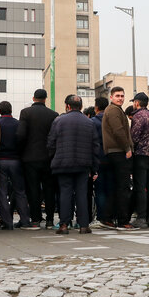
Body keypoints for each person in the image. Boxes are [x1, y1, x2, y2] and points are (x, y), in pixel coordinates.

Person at [47, 95, 99, 234]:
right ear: (81, 107)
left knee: (65, 193)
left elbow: (51, 143)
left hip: (62, 163)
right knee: (81, 193)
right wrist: (94, 168)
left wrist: (53, 158)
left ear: (67, 106)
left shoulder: (58, 121)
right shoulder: (89, 123)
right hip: (83, 164)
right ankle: (83, 225)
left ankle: (64, 225)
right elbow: (95, 146)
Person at [17, 89, 58, 229]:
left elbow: (21, 135)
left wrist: (22, 152)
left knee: (33, 189)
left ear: (33, 98)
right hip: (48, 158)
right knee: (49, 189)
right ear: (45, 99)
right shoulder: (53, 115)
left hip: (30, 158)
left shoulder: (25, 113)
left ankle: (35, 219)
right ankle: (50, 220)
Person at [100, 86, 134, 230]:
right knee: (123, 188)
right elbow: (118, 131)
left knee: (116, 187)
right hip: (118, 152)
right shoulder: (113, 110)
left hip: (114, 152)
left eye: (122, 96)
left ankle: (107, 218)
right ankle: (122, 221)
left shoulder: (114, 110)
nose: (120, 98)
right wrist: (127, 148)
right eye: (117, 96)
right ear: (111, 97)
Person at [0, 100, 32, 230]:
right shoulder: (18, 124)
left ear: (0, 111)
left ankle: (7, 221)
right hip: (16, 160)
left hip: (1, 160)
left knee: (2, 192)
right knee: (20, 191)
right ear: (11, 110)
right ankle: (25, 219)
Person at [129, 92, 149, 227]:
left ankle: (141, 217)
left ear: (137, 103)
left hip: (141, 155)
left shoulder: (138, 116)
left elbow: (134, 137)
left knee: (140, 187)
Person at [90, 97, 113, 228]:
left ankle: (101, 217)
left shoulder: (92, 121)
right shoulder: (111, 120)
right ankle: (109, 217)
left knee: (100, 190)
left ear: (96, 107)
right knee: (110, 188)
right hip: (112, 158)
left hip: (98, 160)